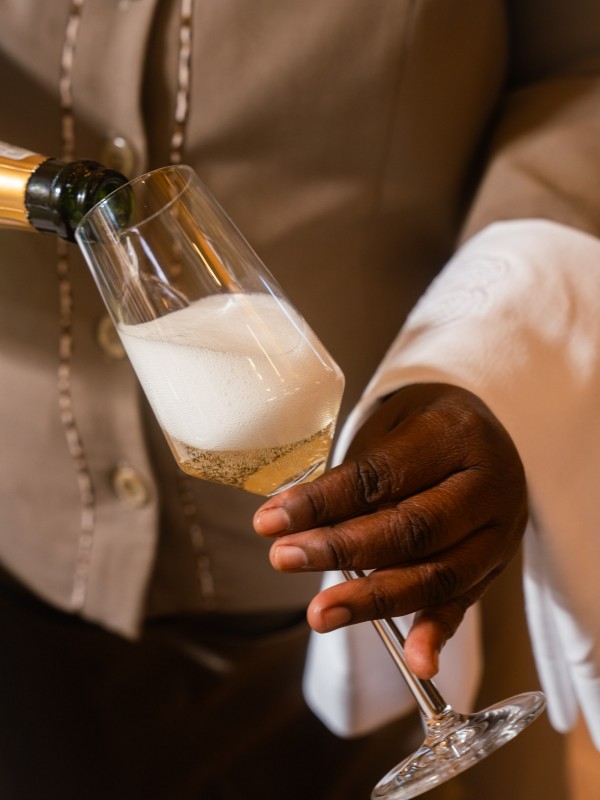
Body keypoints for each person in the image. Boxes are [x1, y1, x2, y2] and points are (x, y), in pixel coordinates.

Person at [0, 1, 598, 798]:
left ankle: (431, 711)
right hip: (25, 601)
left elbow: (582, 68)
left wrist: (489, 349)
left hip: (441, 535)